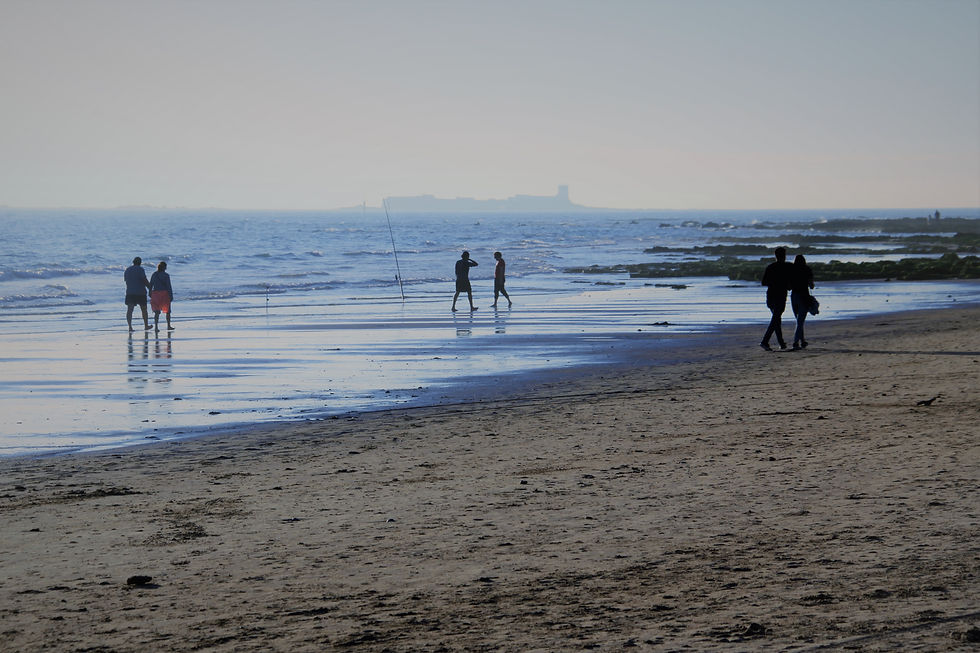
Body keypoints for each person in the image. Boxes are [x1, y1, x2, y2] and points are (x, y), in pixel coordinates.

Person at [760, 247, 793, 351]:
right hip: (781, 295)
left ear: (775, 255)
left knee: (776, 319)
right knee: (776, 319)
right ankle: (765, 341)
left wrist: (774, 283)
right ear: (784, 255)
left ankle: (782, 343)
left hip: (770, 295)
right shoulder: (788, 267)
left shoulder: (770, 267)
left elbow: (764, 282)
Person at [790, 254, 814, 350]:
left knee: (798, 320)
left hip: (794, 296)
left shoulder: (791, 270)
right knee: (800, 321)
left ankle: (802, 341)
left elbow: (789, 285)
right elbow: (811, 285)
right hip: (804, 296)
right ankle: (796, 342)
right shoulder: (807, 269)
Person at [124, 256, 151, 332]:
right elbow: (144, 280)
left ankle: (130, 327)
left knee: (130, 310)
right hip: (140, 292)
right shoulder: (140, 269)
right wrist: (150, 288)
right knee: (144, 310)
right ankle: (146, 326)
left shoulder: (128, 270)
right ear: (140, 263)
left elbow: (126, 281)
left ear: (133, 262)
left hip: (130, 292)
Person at [149, 261, 174, 331]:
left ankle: (156, 327)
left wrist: (149, 292)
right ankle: (168, 326)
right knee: (168, 311)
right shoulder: (166, 275)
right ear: (164, 267)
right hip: (164, 294)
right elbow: (169, 286)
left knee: (157, 312)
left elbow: (151, 284)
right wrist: (171, 295)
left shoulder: (154, 274)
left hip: (156, 294)